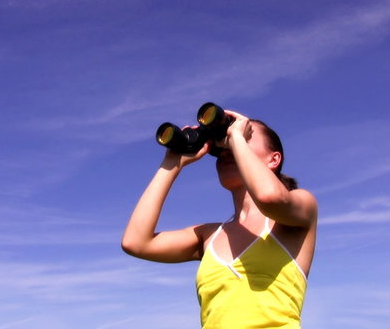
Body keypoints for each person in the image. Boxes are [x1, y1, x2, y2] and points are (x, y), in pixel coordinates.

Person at [122, 108, 317, 328]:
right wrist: (171, 163)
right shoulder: (209, 235)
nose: (226, 150)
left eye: (246, 136)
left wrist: (235, 138)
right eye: (221, 149)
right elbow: (136, 242)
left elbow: (269, 197)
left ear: (274, 159)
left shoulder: (301, 208)